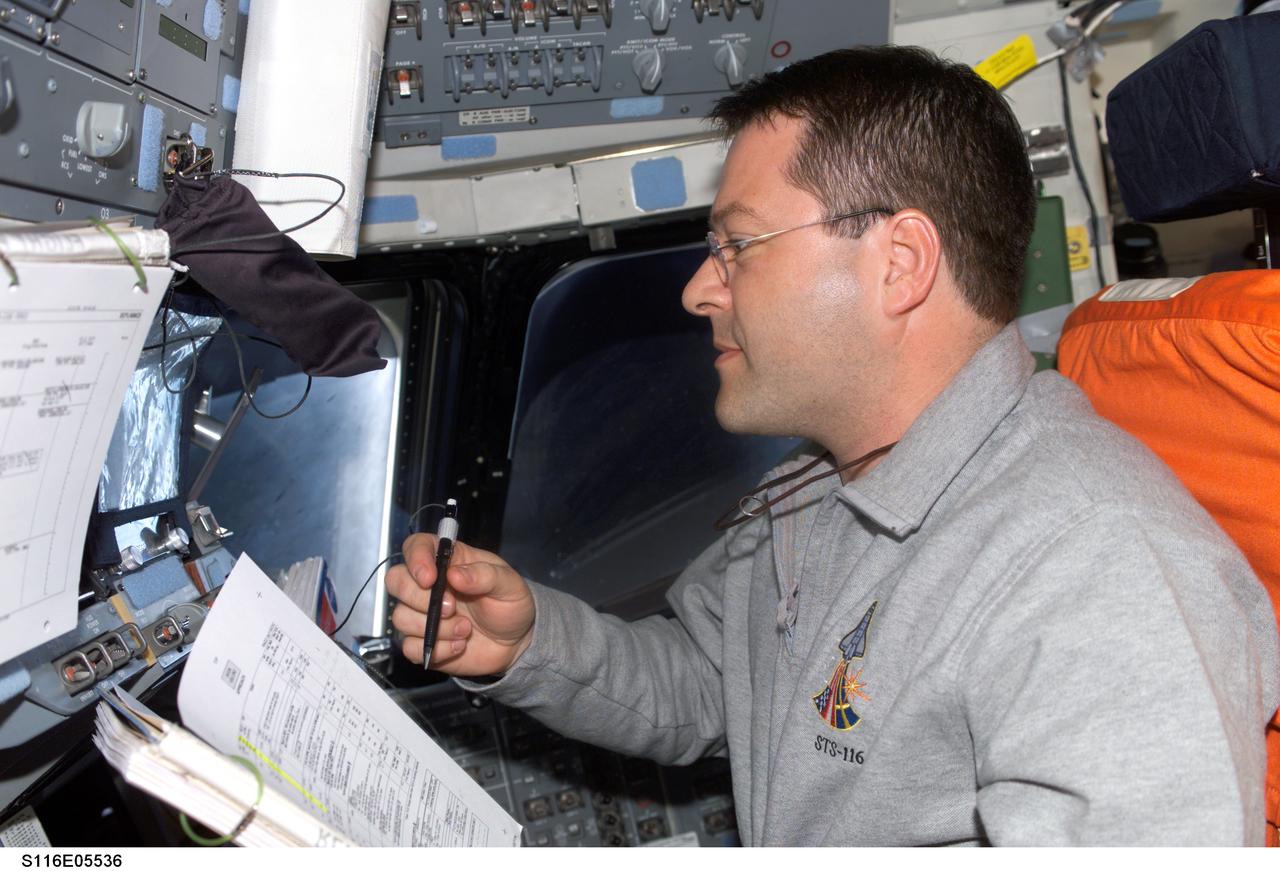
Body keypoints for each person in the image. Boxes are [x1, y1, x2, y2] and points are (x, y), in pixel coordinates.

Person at [385, 46, 1279, 845]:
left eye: (737, 244)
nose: (701, 289)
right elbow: (715, 678)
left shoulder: (1096, 569)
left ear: (899, 263)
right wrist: (531, 643)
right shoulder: (814, 486)